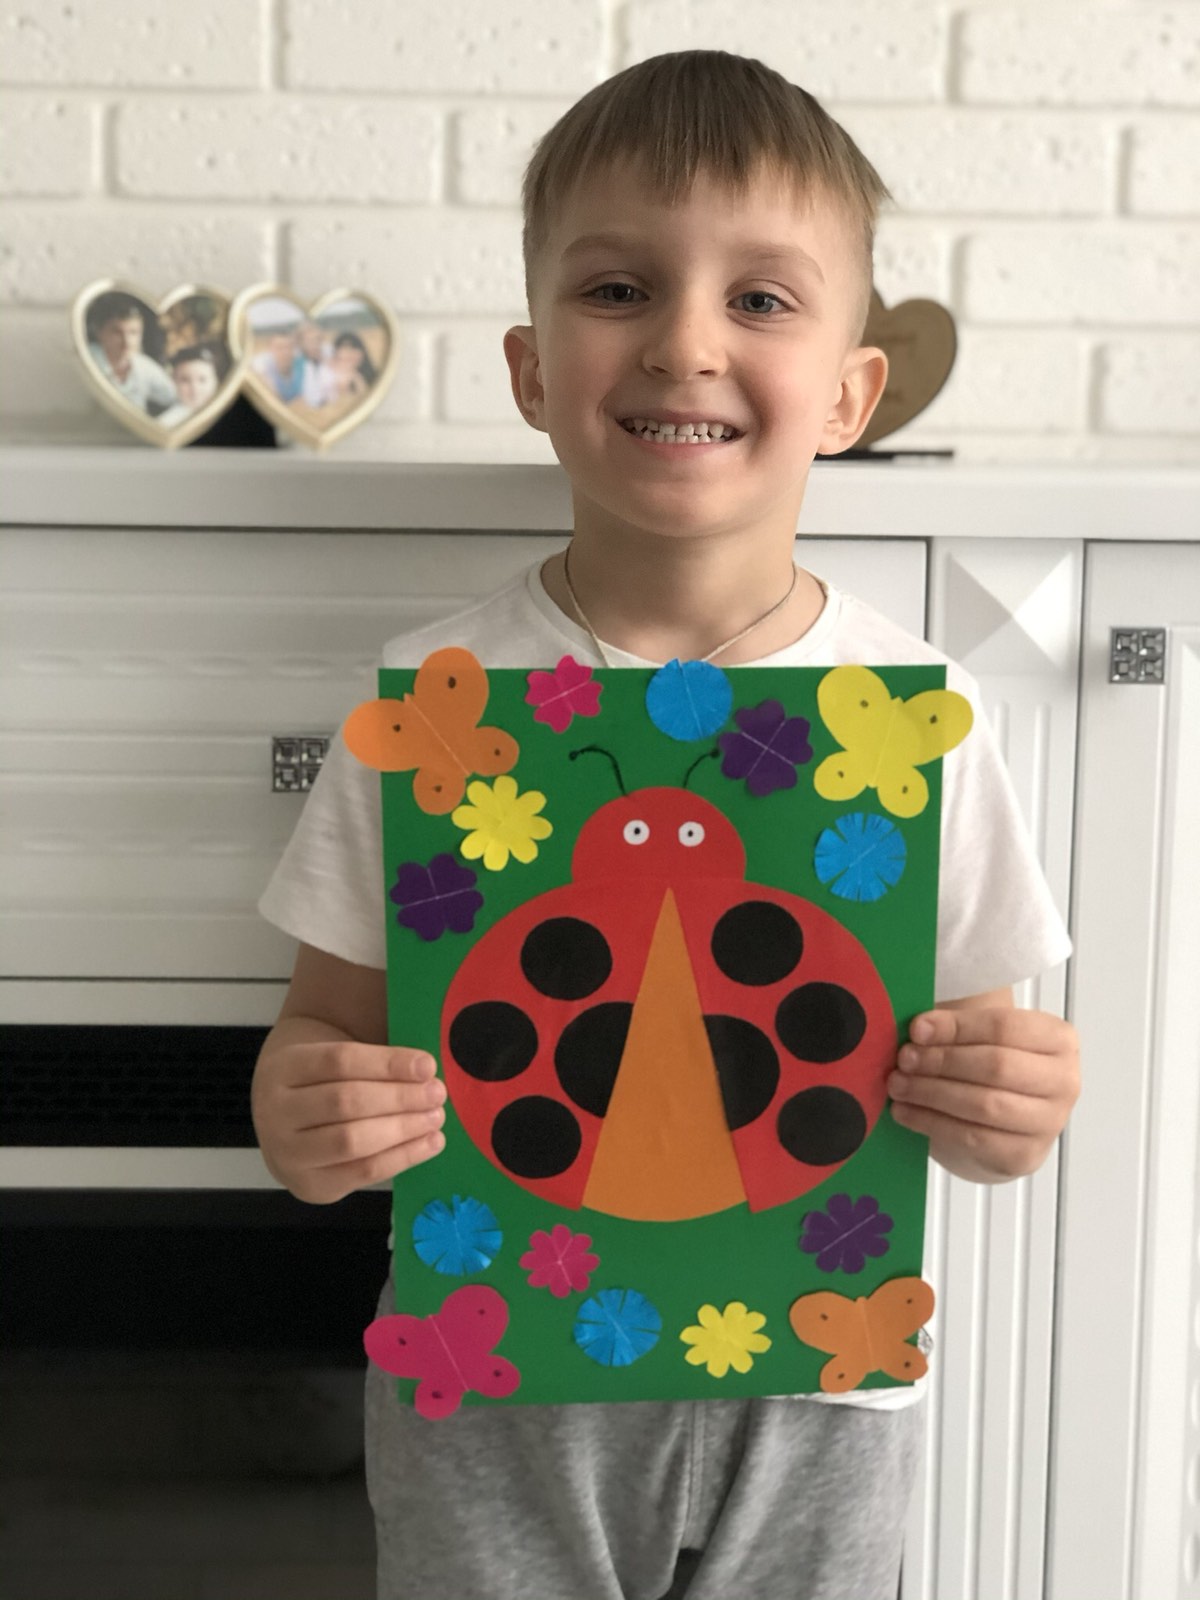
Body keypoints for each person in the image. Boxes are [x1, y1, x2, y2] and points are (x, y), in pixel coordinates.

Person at [252, 50, 1080, 1600]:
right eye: (619, 289)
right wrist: (308, 1118)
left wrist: (1014, 1102)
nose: (686, 344)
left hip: (819, 1382)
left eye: (760, 299)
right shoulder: (439, 719)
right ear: (530, 371)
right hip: (496, 1373)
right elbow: (323, 1035)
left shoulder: (917, 721)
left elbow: (978, 1059)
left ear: (850, 394)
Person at [86, 293, 177, 415]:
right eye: (117, 332)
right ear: (99, 332)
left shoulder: (144, 366)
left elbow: (174, 397)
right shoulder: (87, 357)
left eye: (133, 332)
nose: (127, 341)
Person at [154, 344, 221, 427]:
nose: (195, 388)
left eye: (202, 380)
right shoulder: (165, 423)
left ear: (216, 381)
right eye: (185, 380)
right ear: (173, 382)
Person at [252, 328, 305, 402]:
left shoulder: (302, 365)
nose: (285, 352)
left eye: (289, 347)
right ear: (271, 349)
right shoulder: (263, 369)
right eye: (279, 348)